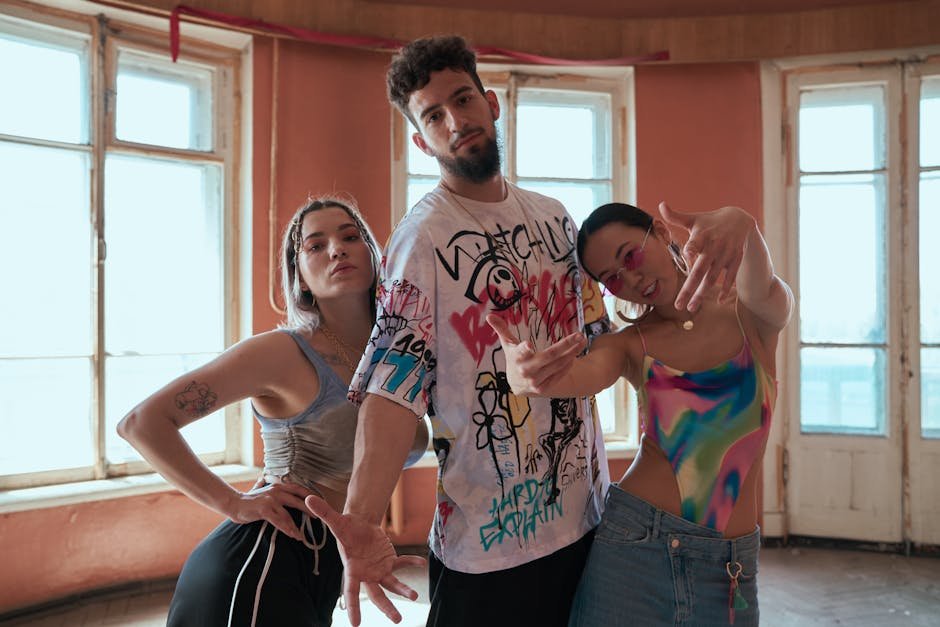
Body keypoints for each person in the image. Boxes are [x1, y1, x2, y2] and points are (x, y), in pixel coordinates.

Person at [302, 35, 614, 627]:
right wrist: (364, 517)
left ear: (491, 104)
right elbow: (394, 388)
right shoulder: (421, 241)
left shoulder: (554, 217)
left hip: (585, 517)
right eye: (434, 116)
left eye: (463, 100)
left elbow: (603, 338)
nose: (456, 122)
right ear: (421, 141)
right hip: (490, 546)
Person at [117, 196, 427, 627]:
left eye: (350, 237)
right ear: (298, 276)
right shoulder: (281, 352)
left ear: (374, 256)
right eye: (315, 245)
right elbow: (141, 423)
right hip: (259, 562)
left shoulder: (399, 355)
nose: (337, 249)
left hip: (324, 567)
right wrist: (233, 502)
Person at [488, 201, 794, 626]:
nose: (630, 278)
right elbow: (578, 376)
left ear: (661, 233)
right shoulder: (628, 345)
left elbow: (765, 286)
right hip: (637, 547)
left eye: (629, 256)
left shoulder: (750, 314)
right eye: (611, 279)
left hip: (730, 565)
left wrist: (744, 225)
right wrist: (525, 378)